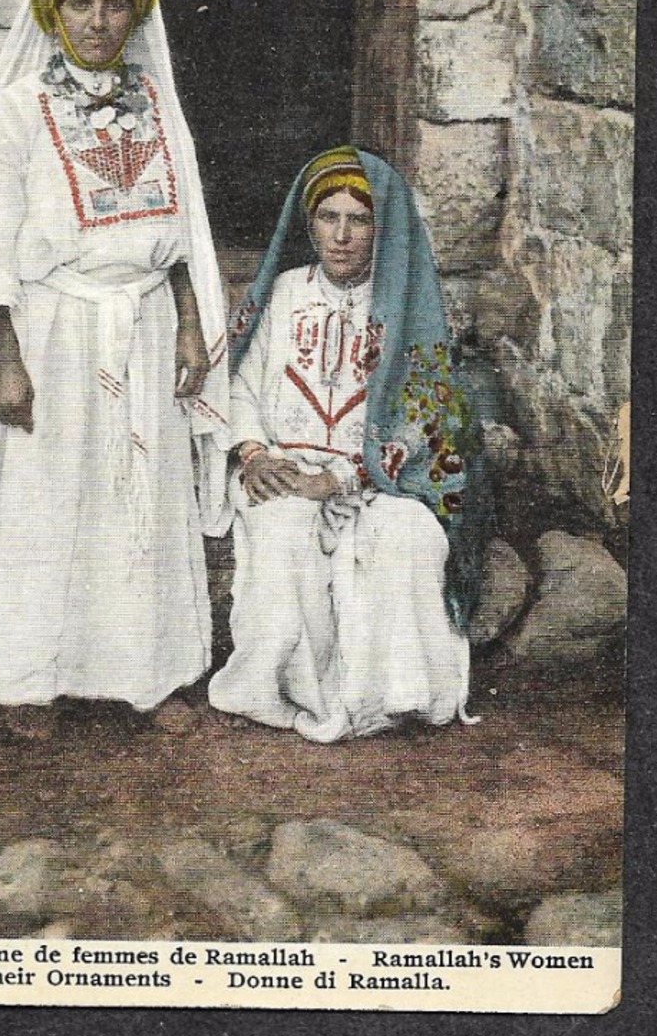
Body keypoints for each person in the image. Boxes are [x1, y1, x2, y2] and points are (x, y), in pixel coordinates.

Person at [0, 0, 230, 739]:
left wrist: (192, 330)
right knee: (51, 500)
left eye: (113, 4)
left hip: (148, 324)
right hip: (53, 329)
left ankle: (150, 675)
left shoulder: (157, 101)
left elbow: (182, 231)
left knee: (145, 495)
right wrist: (7, 362)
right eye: (80, 4)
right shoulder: (21, 108)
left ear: (134, 15)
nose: (97, 20)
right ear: (54, 15)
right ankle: (33, 680)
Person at [207, 146, 483, 742]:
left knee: (407, 534)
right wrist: (254, 454)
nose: (341, 236)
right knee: (283, 531)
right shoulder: (283, 293)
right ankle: (285, 692)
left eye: (359, 220)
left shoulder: (406, 309)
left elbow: (429, 419)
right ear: (309, 226)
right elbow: (242, 387)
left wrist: (346, 479)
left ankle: (387, 698)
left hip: (378, 480)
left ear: (382, 229)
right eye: (327, 218)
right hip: (283, 466)